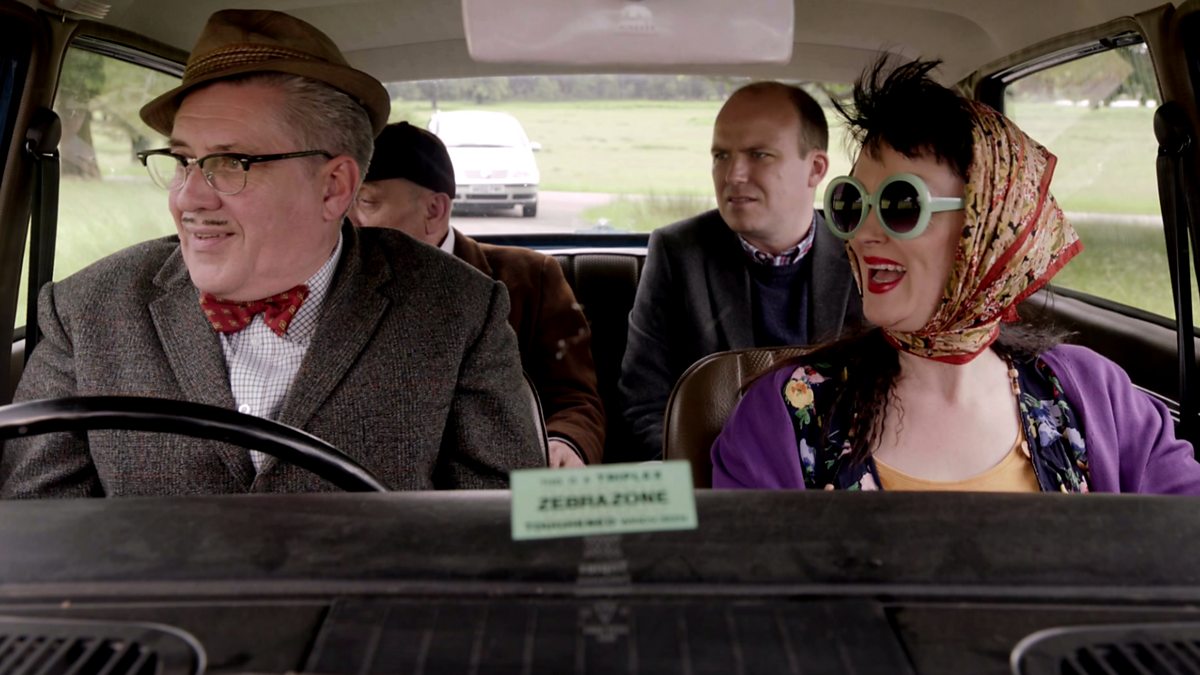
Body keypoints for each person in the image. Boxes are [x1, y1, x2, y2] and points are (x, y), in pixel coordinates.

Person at [0, 9, 545, 497]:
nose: (188, 198)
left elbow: (504, 527)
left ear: (333, 187)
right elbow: (35, 535)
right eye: (183, 161)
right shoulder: (87, 309)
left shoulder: (457, 308)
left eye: (231, 163)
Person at [712, 57, 1200, 493]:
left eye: (901, 205)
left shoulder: (1096, 395)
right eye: (852, 204)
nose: (863, 234)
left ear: (987, 229)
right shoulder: (785, 414)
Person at [619, 81, 863, 461]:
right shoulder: (677, 253)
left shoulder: (861, 253)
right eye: (721, 156)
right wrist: (713, 481)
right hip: (713, 478)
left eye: (759, 155)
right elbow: (645, 406)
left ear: (815, 169)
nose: (733, 175)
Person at [351, 122, 605, 467]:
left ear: (434, 211)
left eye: (366, 202)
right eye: (342, 203)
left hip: (494, 477)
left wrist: (564, 443)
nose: (348, 221)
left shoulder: (530, 279)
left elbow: (573, 400)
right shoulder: (335, 285)